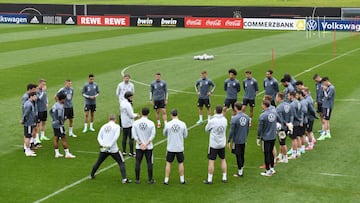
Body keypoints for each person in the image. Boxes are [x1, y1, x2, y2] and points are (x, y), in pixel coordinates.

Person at [90, 114, 132, 184]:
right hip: (113, 149)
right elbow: (116, 137)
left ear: (109, 119)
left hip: (104, 148)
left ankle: (91, 175)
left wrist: (103, 145)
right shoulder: (117, 126)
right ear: (115, 119)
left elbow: (99, 137)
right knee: (121, 162)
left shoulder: (103, 126)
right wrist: (109, 145)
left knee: (99, 162)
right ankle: (124, 179)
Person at [203, 105, 228, 184]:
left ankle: (210, 179)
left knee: (211, 161)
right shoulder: (225, 120)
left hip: (214, 144)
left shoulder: (213, 121)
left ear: (215, 111)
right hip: (222, 143)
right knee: (223, 160)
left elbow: (206, 129)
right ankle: (224, 177)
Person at [163, 109, 188, 185]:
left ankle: (166, 180)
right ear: (178, 114)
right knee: (180, 163)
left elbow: (164, 134)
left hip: (170, 147)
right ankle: (182, 180)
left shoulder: (168, 124)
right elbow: (185, 135)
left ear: (171, 115)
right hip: (179, 147)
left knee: (168, 163)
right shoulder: (183, 124)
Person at [132, 107, 156, 184]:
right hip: (148, 147)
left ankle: (137, 179)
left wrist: (140, 144)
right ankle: (150, 179)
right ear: (148, 113)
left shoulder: (135, 123)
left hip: (139, 147)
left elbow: (134, 135)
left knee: (138, 162)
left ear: (141, 113)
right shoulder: (151, 123)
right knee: (149, 162)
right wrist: (146, 144)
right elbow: (152, 135)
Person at [227, 103, 250, 178]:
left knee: (238, 155)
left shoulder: (234, 118)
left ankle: (240, 172)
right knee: (242, 154)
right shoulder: (246, 117)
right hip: (243, 139)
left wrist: (228, 140)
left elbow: (231, 131)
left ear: (236, 108)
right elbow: (247, 128)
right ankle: (241, 169)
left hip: (237, 140)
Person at [50, 93, 76, 158]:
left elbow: (50, 112)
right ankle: (67, 153)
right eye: (64, 99)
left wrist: (54, 119)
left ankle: (57, 153)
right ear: (62, 99)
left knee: (56, 137)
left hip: (54, 123)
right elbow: (59, 115)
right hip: (59, 125)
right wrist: (61, 122)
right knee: (63, 138)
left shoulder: (55, 104)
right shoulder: (60, 106)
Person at [257, 100, 277, 177]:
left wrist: (258, 137)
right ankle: (272, 168)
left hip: (266, 137)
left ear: (264, 105)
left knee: (266, 153)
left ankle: (268, 170)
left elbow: (260, 128)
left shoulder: (263, 115)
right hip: (273, 136)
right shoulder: (274, 113)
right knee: (271, 152)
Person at [275, 92, 294, 163]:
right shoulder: (289, 105)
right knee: (282, 141)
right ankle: (281, 155)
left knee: (282, 143)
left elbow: (280, 118)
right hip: (288, 126)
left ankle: (285, 158)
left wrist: (285, 123)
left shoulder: (279, 107)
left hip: (282, 127)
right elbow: (292, 115)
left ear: (279, 98)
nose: (276, 98)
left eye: (276, 97)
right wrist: (290, 123)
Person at [120, 91, 139, 157]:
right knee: (131, 138)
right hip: (129, 123)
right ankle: (131, 152)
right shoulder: (127, 104)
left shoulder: (122, 103)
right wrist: (136, 115)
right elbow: (131, 115)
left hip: (124, 123)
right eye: (131, 97)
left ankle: (124, 151)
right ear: (128, 97)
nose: (132, 98)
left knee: (124, 137)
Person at [21, 92, 38, 157]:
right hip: (28, 123)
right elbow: (26, 114)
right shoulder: (28, 104)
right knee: (28, 136)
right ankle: (27, 151)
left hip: (30, 122)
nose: (36, 98)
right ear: (31, 96)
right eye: (35, 96)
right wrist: (23, 120)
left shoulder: (30, 103)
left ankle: (28, 150)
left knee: (28, 136)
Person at [288, 91, 302, 159]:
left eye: (288, 96)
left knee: (293, 139)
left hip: (294, 123)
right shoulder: (299, 102)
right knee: (298, 137)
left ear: (291, 96)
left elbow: (293, 115)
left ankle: (293, 154)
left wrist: (290, 123)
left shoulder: (292, 104)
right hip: (298, 123)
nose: (288, 97)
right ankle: (299, 152)